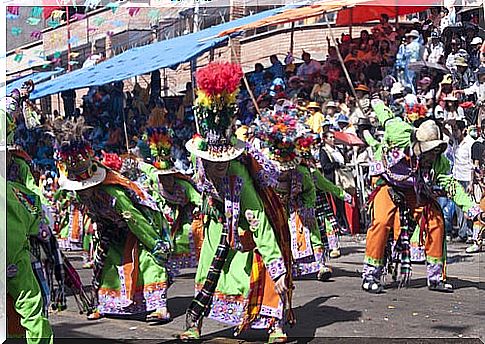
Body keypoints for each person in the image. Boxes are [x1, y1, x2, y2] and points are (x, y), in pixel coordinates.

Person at [181, 62, 291, 342]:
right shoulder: (199, 162)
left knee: (264, 269)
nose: (218, 167)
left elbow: (259, 221)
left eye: (223, 163)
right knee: (208, 272)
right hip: (217, 223)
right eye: (212, 163)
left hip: (246, 222)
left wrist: (278, 266)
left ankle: (273, 323)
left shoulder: (238, 175)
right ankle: (194, 323)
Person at [49, 116, 173, 322]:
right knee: (107, 266)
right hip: (111, 230)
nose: (84, 191)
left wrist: (154, 242)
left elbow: (135, 219)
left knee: (148, 261)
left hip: (139, 227)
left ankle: (159, 307)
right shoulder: (80, 193)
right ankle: (106, 304)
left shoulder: (113, 193)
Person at [361, 98, 480, 294]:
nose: (430, 155)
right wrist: (374, 102)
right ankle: (370, 274)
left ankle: (435, 276)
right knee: (382, 222)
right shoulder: (398, 132)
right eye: (427, 151)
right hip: (386, 181)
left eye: (434, 151)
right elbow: (386, 117)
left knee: (436, 221)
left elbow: (451, 186)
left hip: (414, 188)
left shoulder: (438, 162)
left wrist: (472, 210)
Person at [4, 88, 54, 344]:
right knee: (32, 308)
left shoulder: (19, 168)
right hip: (15, 255)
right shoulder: (14, 191)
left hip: (16, 253)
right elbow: (36, 208)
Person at [451, 120, 475, 192]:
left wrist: (471, 184)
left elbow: (472, 164)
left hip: (466, 179)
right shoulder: (455, 141)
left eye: (456, 130)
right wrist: (447, 122)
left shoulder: (470, 143)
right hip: (456, 176)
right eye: (453, 130)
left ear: (463, 130)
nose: (454, 133)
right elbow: (444, 130)